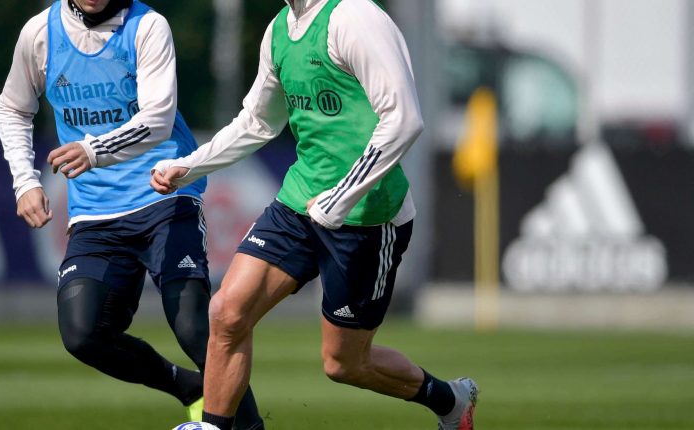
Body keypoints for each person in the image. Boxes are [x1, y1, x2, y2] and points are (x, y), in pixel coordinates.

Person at [151, 0, 479, 429]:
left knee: (344, 363)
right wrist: (190, 166)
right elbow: (258, 122)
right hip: (299, 202)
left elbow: (404, 119)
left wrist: (338, 200)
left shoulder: (354, 17)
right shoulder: (279, 30)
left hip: (367, 216)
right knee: (227, 311)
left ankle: (451, 400)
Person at [0, 1, 263, 428]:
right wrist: (24, 181)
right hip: (95, 212)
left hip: (164, 193)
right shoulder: (39, 34)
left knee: (194, 326)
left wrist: (93, 150)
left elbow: (157, 119)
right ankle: (189, 387)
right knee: (83, 334)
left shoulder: (148, 26)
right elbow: (13, 107)